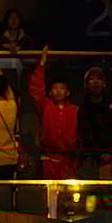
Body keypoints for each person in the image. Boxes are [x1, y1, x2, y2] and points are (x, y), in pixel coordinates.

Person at [29, 47, 79, 179]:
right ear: (50, 92)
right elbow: (36, 89)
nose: (58, 91)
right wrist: (41, 64)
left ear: (68, 92)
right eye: (55, 88)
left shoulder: (75, 110)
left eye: (62, 88)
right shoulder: (46, 106)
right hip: (48, 160)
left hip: (68, 161)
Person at [78, 67, 112, 176]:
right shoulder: (83, 110)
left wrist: (111, 152)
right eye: (92, 79)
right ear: (86, 85)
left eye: (99, 79)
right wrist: (100, 154)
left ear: (104, 84)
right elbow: (86, 135)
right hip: (91, 160)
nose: (95, 82)